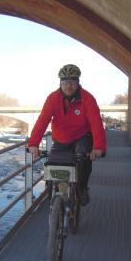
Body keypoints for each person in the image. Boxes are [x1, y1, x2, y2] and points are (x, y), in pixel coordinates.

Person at [27, 64, 107, 206]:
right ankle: (54, 194)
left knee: (83, 159)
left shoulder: (87, 99)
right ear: (60, 83)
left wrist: (98, 147)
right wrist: (33, 144)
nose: (68, 86)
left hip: (82, 136)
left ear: (78, 83)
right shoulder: (53, 98)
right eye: (64, 83)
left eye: (72, 82)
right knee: (53, 162)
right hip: (62, 138)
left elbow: (96, 123)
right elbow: (42, 121)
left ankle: (82, 188)